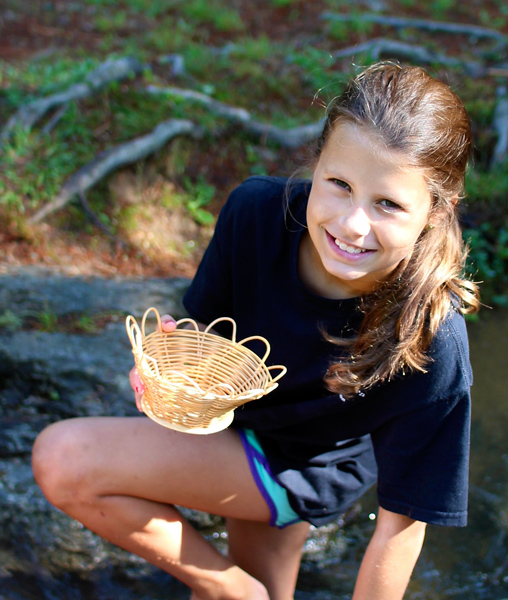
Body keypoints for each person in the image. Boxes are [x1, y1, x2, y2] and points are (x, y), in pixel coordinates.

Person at [32, 61, 479, 600]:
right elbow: (206, 323)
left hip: (305, 468)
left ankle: (233, 591)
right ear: (316, 164)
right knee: (245, 588)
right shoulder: (257, 213)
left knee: (64, 458)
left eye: (387, 203)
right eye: (338, 184)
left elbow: (401, 524)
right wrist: (178, 362)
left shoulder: (435, 337)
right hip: (238, 423)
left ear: (437, 209)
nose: (352, 224)